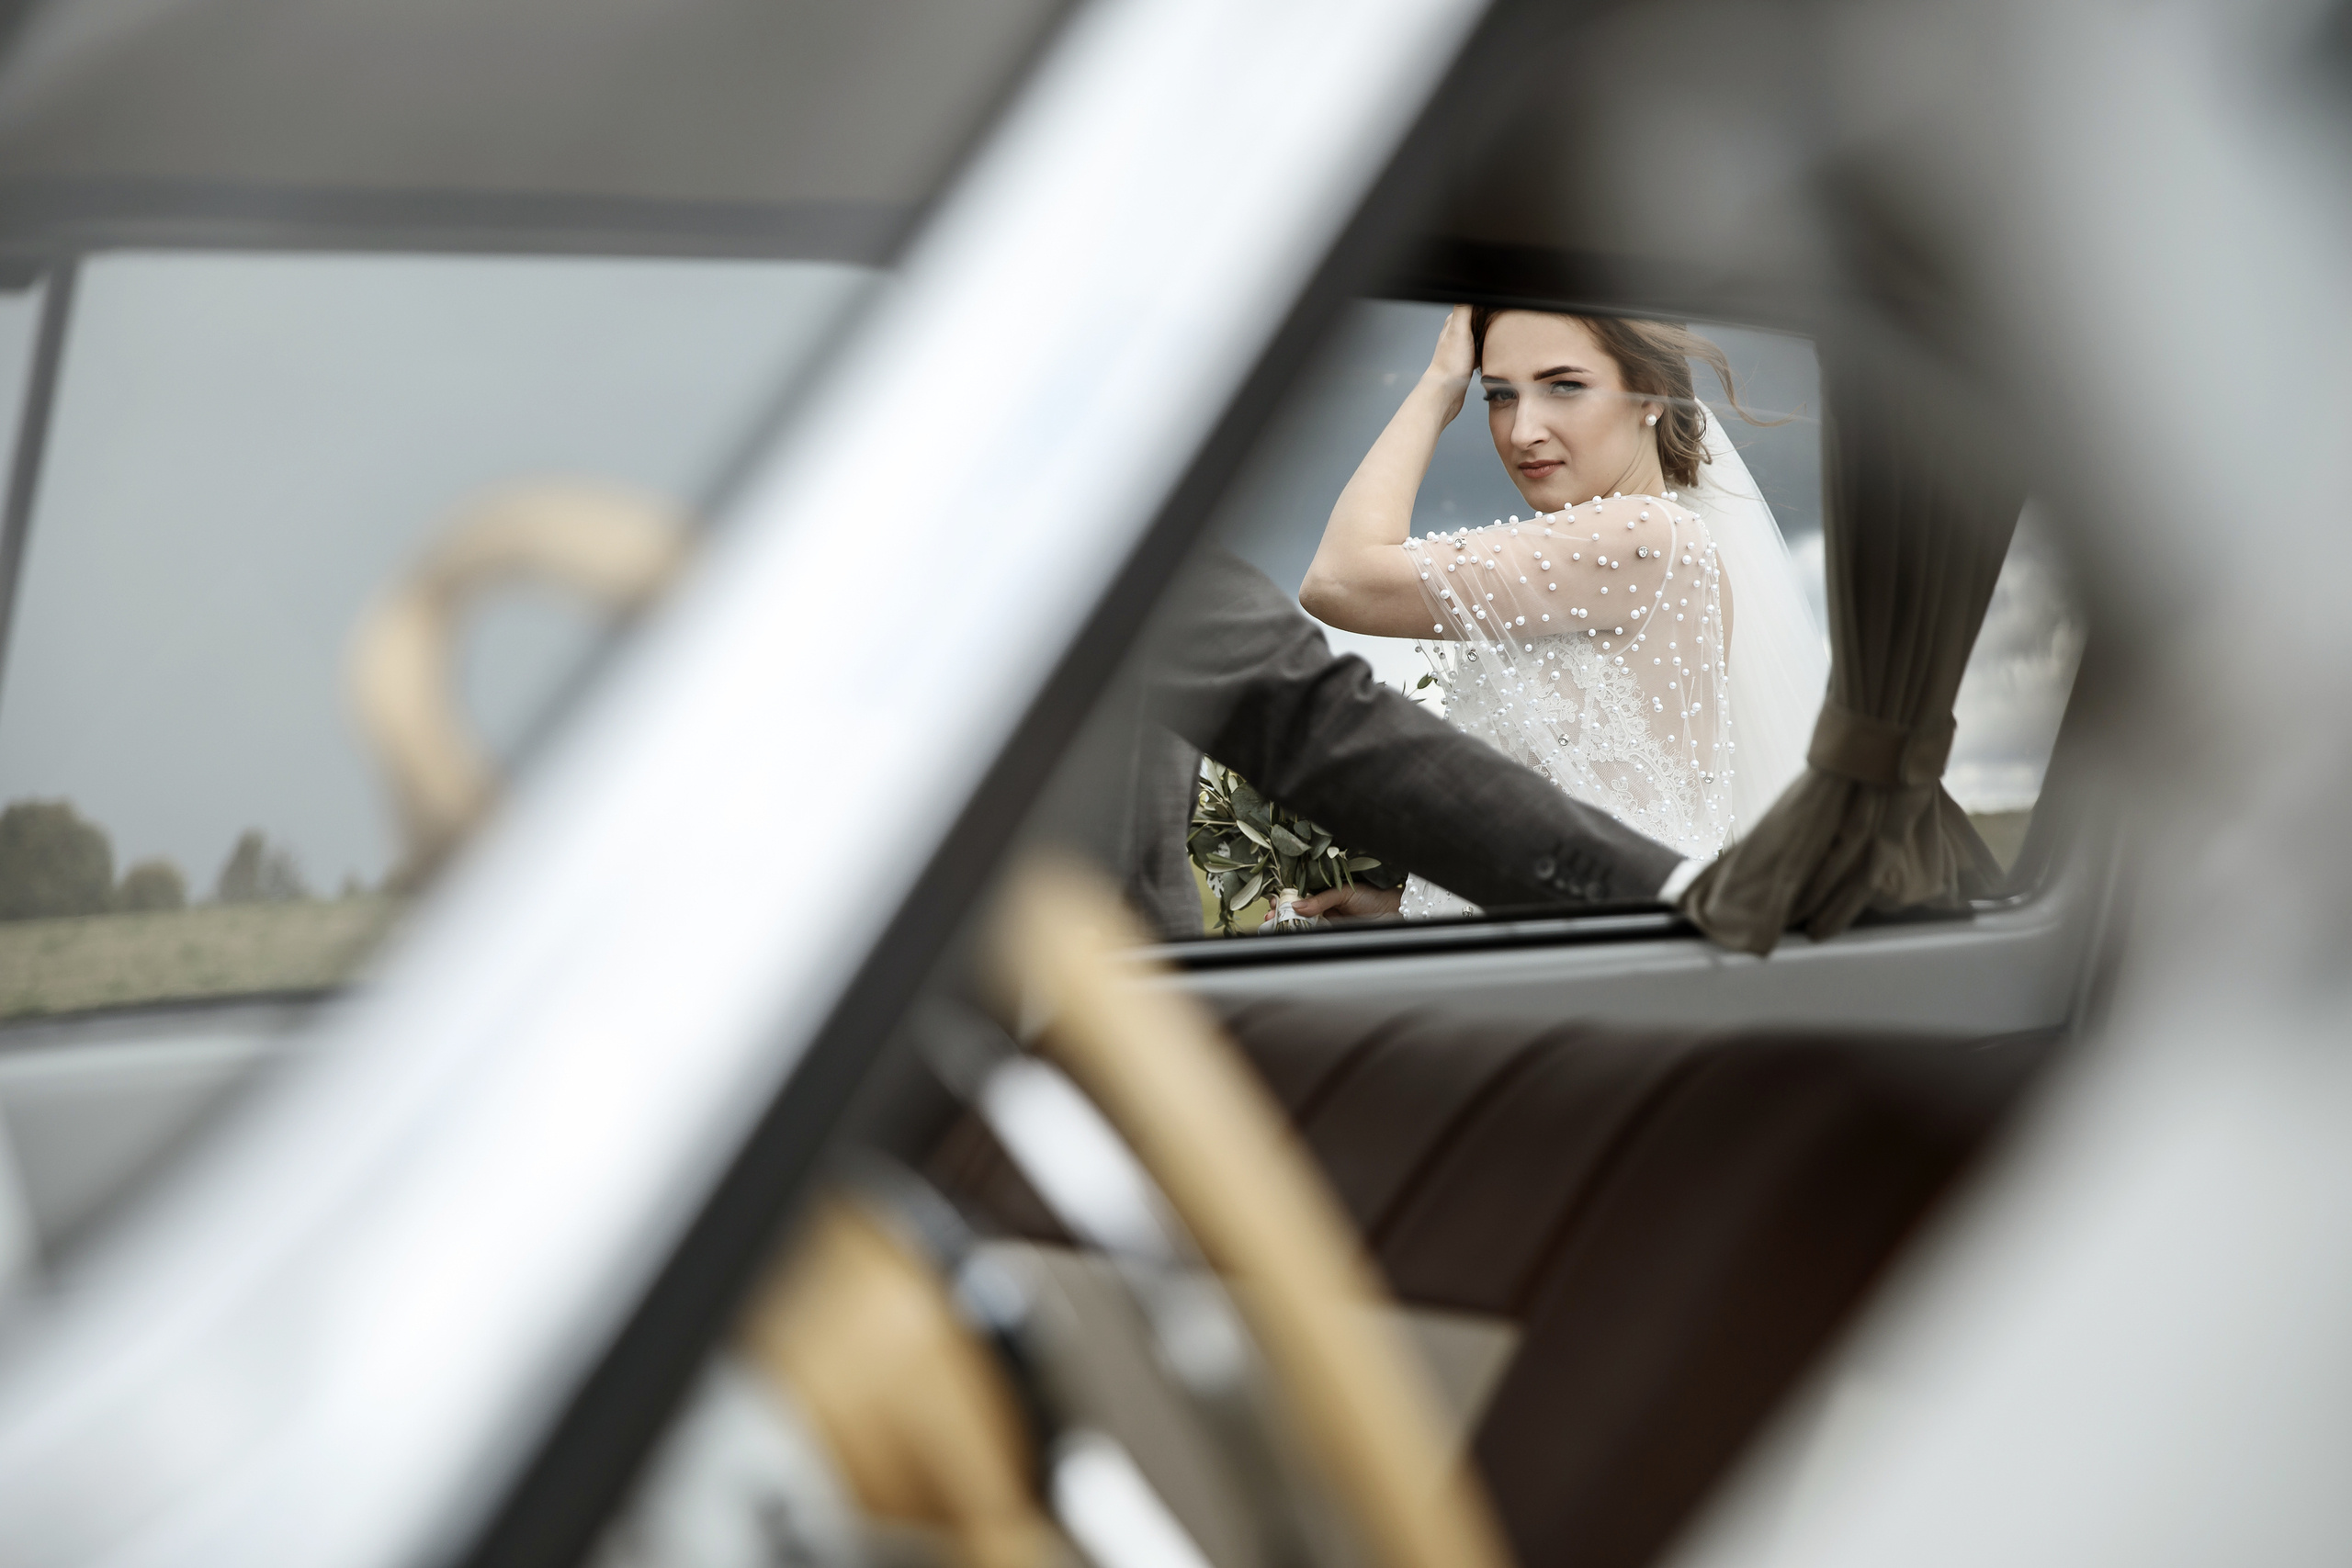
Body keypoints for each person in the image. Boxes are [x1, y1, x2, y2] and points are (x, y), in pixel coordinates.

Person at [1298, 306, 1825, 919]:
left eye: (1564, 386)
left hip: (1581, 963)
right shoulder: (1654, 548)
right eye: (1497, 394)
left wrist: (1439, 386)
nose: (1522, 430)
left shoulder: (1644, 535)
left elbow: (1338, 579)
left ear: (1649, 394)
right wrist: (1402, 909)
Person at [1072, 547, 1685, 941]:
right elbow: (1323, 715)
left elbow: (1323, 726)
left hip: (1119, 1023)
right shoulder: (1096, 528)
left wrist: (1671, 895)